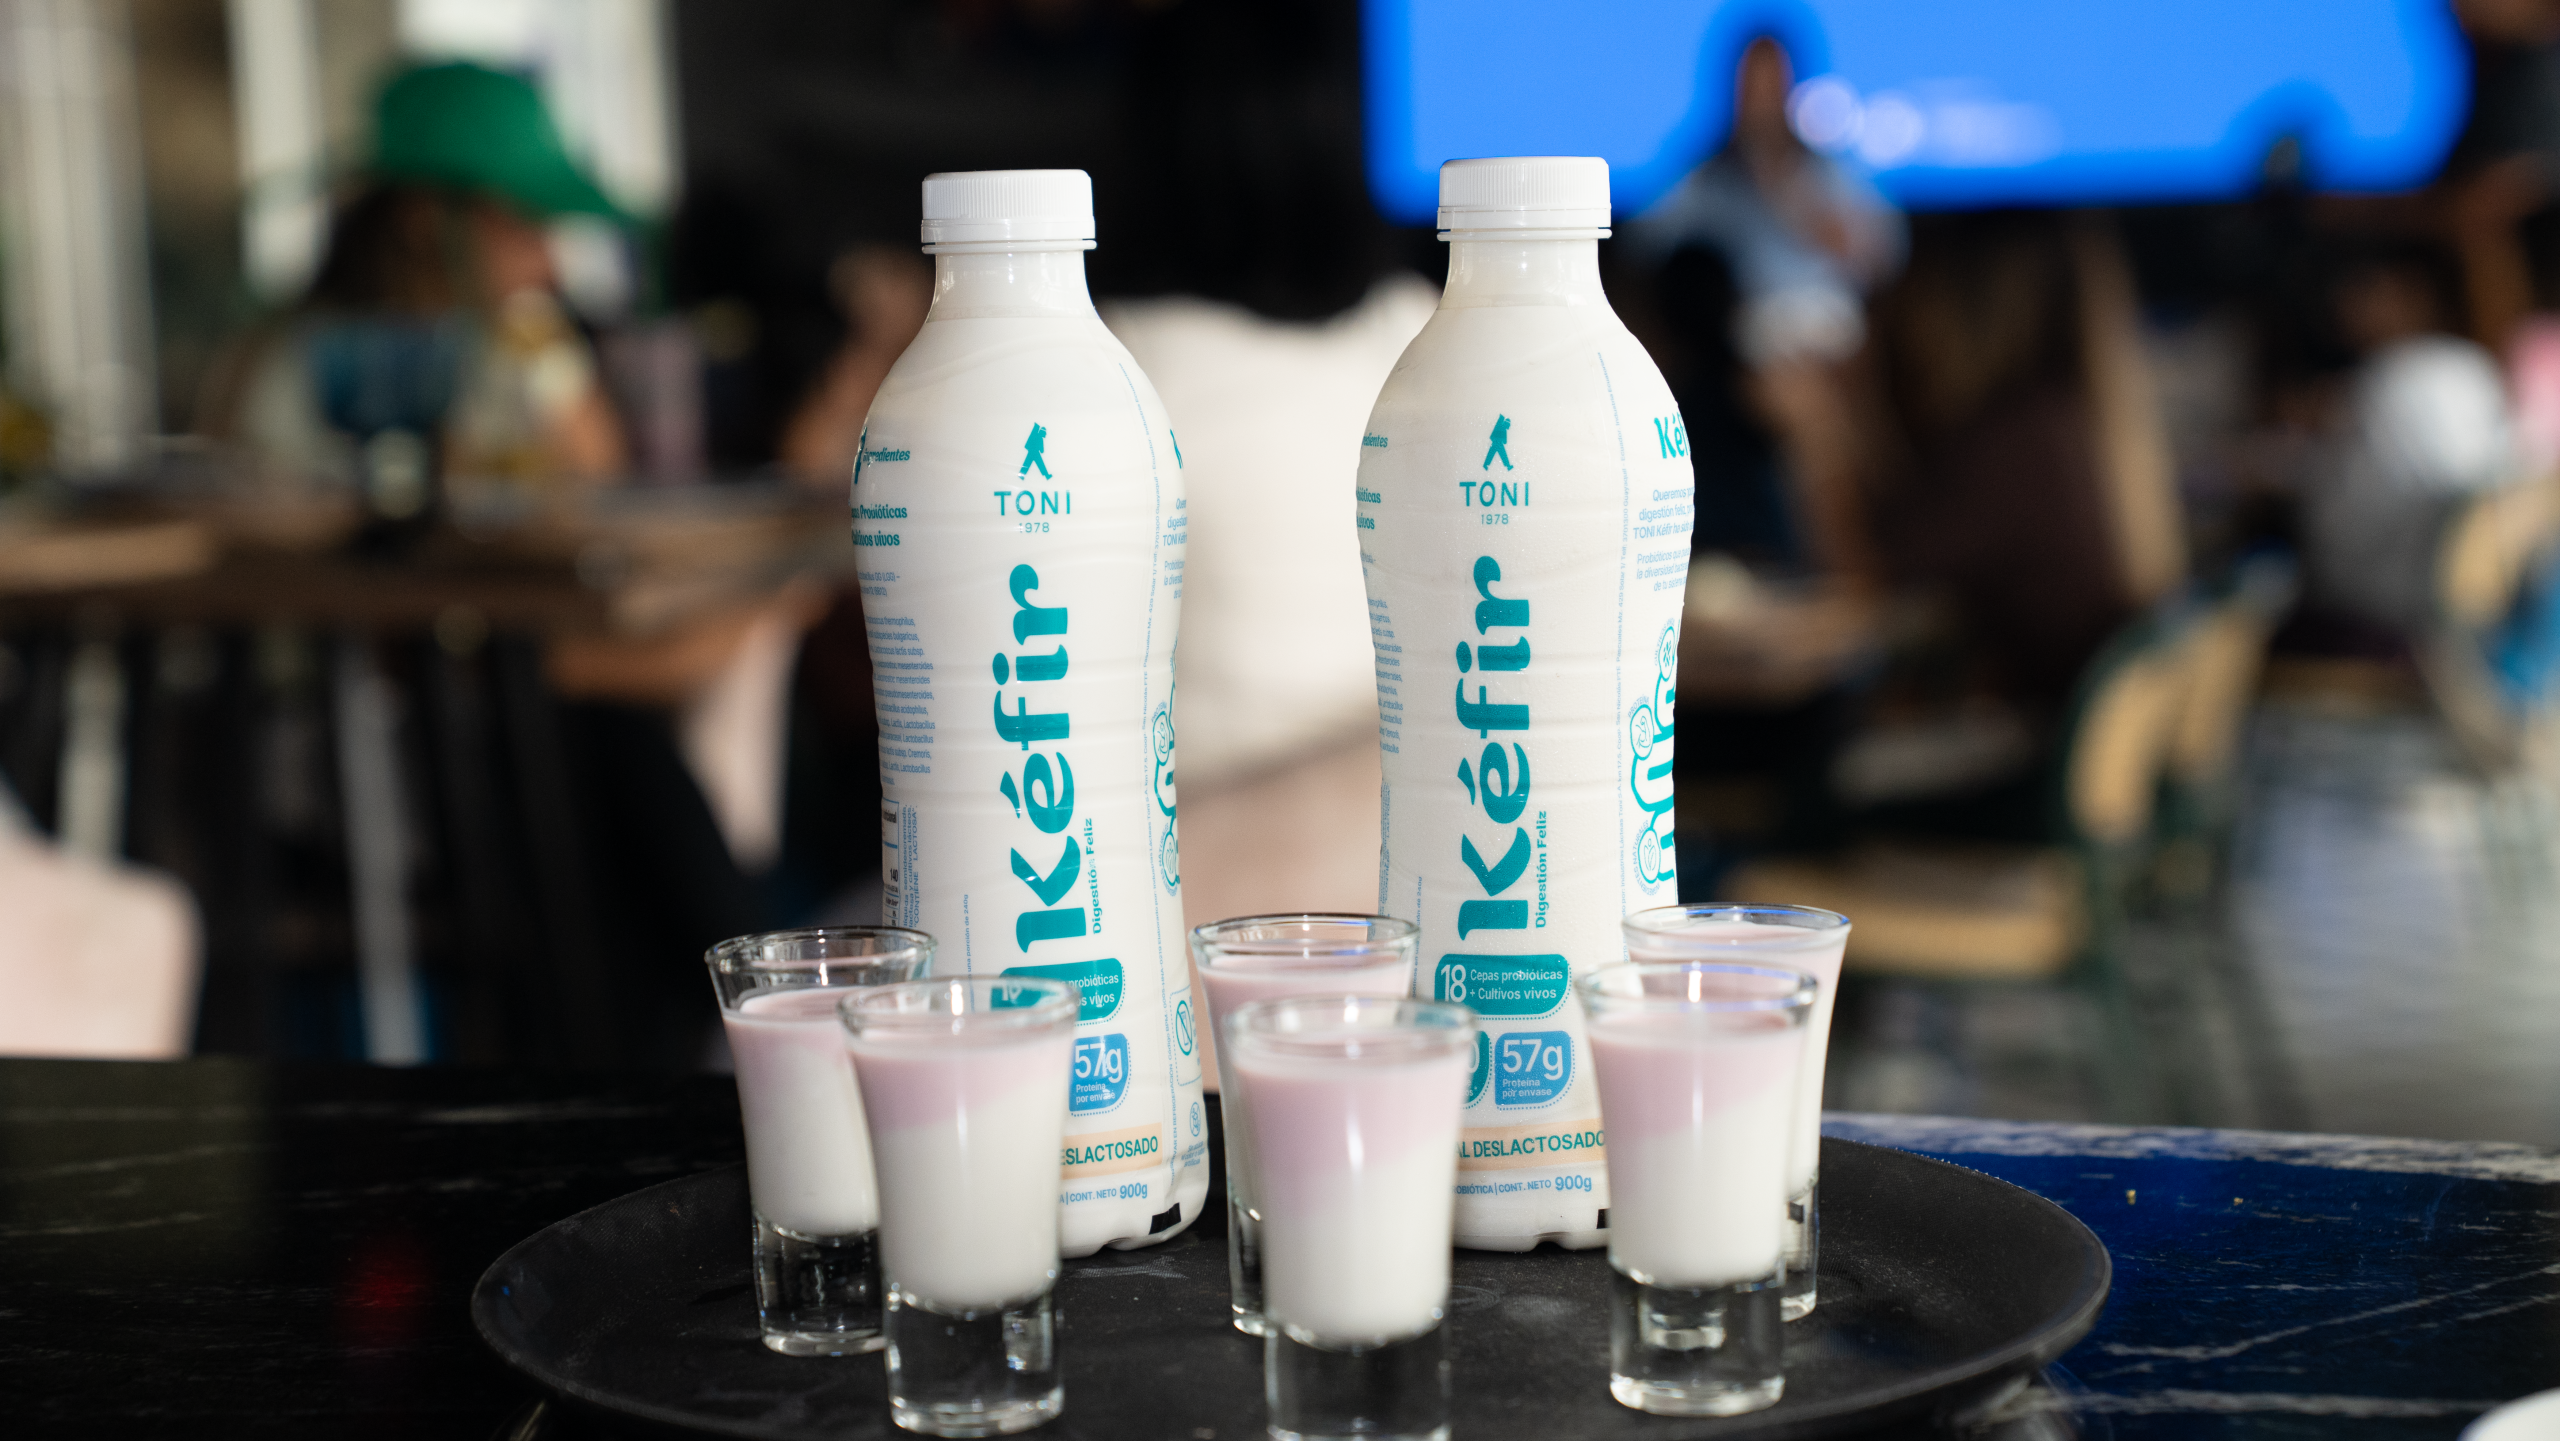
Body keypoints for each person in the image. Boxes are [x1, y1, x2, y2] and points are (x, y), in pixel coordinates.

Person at [205, 62, 628, 512]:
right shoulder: (304, 363)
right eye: (523, 230)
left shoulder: (525, 339)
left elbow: (599, 478)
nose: (551, 265)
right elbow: (253, 512)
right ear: (423, 217)